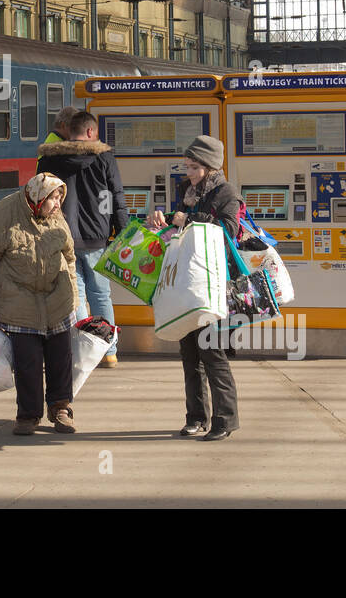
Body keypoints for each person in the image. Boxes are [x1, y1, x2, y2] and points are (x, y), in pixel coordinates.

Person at [145, 135, 241, 442]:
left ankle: (225, 420)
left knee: (212, 353)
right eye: (187, 165)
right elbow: (179, 230)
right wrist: (162, 225)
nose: (189, 172)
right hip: (186, 284)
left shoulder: (226, 193)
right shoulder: (188, 192)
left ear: (211, 166)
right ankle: (196, 417)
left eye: (195, 166)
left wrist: (190, 218)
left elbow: (228, 231)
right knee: (189, 354)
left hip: (212, 284)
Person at [0, 172, 80, 436]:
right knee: (27, 363)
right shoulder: (3, 215)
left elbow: (70, 257)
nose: (56, 204)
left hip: (57, 300)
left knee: (60, 359)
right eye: (51, 198)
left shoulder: (57, 218)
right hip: (17, 301)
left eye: (58, 198)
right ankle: (28, 414)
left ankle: (61, 407)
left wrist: (74, 297)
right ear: (36, 197)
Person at [36, 110, 128, 367]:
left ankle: (86, 348)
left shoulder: (48, 160)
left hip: (61, 237)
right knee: (101, 294)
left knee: (74, 296)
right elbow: (116, 195)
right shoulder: (104, 157)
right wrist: (123, 232)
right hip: (97, 237)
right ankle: (109, 350)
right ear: (89, 132)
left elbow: (37, 199)